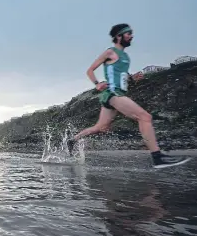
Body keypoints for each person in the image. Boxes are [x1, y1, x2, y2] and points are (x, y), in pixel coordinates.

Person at [67, 23, 190, 169]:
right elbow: (90, 70)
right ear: (118, 36)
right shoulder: (110, 52)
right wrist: (97, 83)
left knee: (101, 127)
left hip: (115, 94)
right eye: (128, 33)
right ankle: (158, 158)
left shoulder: (125, 57)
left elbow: (121, 77)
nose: (131, 36)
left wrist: (132, 79)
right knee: (145, 117)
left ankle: (73, 140)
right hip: (113, 93)